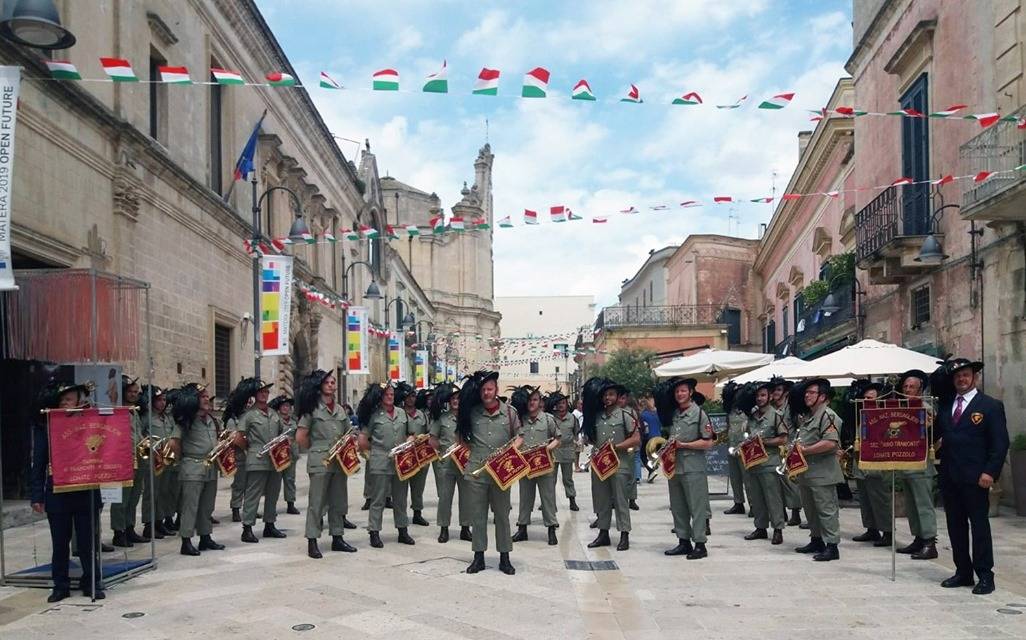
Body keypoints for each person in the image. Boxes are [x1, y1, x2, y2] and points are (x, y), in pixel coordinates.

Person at [935, 358, 1008, 595]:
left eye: (965, 375)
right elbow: (934, 433)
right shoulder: (946, 406)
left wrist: (990, 472)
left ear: (974, 377)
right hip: (950, 476)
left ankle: (985, 575)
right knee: (955, 526)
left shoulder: (990, 406)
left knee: (979, 527)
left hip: (976, 477)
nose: (961, 379)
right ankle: (963, 572)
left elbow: (999, 443)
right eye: (957, 376)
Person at [31, 381, 105, 602]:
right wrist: (36, 495)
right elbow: (39, 463)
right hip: (58, 492)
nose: (65, 403)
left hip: (86, 490)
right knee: (60, 543)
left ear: (79, 401)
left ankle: (92, 582)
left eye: (70, 399)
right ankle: (60, 585)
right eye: (62, 400)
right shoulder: (48, 426)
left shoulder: (90, 424)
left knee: (87, 543)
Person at [458, 370, 521, 574]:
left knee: (502, 515)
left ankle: (504, 558)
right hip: (477, 472)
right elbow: (460, 438)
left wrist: (510, 452)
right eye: (484, 389)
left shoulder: (510, 413)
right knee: (478, 516)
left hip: (501, 473)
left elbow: (520, 436)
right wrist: (474, 453)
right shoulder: (472, 412)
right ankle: (478, 557)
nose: (487, 392)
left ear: (496, 390)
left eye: (490, 388)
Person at [296, 370, 357, 559]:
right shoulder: (312, 409)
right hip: (320, 460)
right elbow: (300, 437)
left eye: (333, 382)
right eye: (328, 382)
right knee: (317, 502)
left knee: (339, 500)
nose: (332, 385)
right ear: (320, 386)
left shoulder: (339, 410)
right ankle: (312, 540)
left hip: (339, 461)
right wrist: (316, 449)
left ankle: (337, 537)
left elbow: (348, 433)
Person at [656, 377, 714, 559]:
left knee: (696, 507)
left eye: (683, 391)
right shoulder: (674, 414)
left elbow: (708, 442)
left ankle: (700, 544)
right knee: (678, 506)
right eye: (677, 391)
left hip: (693, 467)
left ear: (690, 392)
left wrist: (683, 445)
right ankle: (683, 541)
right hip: (674, 467)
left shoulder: (699, 414)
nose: (680, 394)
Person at [582, 377, 640, 552]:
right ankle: (603, 533)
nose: (608, 398)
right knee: (602, 500)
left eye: (611, 394)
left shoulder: (625, 416)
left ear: (617, 396)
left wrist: (617, 447)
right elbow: (593, 438)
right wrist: (588, 438)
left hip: (619, 464)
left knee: (621, 500)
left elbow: (636, 439)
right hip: (600, 465)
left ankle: (624, 534)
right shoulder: (597, 417)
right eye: (605, 395)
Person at [358, 382, 416, 548]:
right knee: (378, 499)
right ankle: (374, 531)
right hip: (380, 462)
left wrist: (410, 440)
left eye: (391, 394)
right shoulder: (374, 415)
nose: (389, 397)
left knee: (400, 498)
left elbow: (410, 433)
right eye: (386, 395)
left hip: (400, 462)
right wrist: (377, 451)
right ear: (380, 397)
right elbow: (363, 440)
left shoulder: (402, 413)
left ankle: (402, 530)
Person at [171, 383, 226, 556]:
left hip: (210, 466)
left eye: (206, 396)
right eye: (202, 396)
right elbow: (174, 443)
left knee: (207, 506)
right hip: (193, 466)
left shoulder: (211, 420)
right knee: (190, 506)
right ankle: (186, 541)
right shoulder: (185, 420)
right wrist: (183, 461)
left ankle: (205, 536)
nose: (206, 399)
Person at [794, 378, 843, 562]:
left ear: (822, 396)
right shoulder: (809, 417)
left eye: (812, 393)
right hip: (807, 472)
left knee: (826, 509)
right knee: (811, 509)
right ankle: (816, 539)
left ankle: (832, 545)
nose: (807, 395)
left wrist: (805, 450)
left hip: (823, 472)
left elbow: (830, 443)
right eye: (806, 392)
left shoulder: (828, 416)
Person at [234, 378, 287, 543]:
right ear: (255, 395)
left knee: (273, 493)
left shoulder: (273, 414)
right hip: (257, 457)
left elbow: (282, 432)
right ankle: (247, 528)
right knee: (253, 494)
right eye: (261, 392)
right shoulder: (249, 415)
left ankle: (269, 524)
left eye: (266, 392)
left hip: (275, 459)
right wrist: (250, 448)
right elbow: (238, 438)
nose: (264, 394)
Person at [895, 369, 938, 560]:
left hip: (920, 465)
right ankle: (918, 539)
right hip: (905, 463)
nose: (908, 389)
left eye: (912, 387)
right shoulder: (901, 408)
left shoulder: (925, 409)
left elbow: (933, 434)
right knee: (911, 506)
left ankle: (930, 542)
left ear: (920, 390)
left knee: (923, 504)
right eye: (905, 386)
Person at [510, 386, 561, 546]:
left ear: (540, 402)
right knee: (525, 498)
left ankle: (551, 529)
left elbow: (558, 438)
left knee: (548, 498)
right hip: (525, 466)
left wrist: (547, 449)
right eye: (530, 400)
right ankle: (522, 528)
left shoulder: (547, 419)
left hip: (544, 466)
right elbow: (514, 439)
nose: (532, 403)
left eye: (535, 400)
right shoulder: (520, 420)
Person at [848, 380, 893, 548]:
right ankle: (871, 528)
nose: (867, 401)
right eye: (865, 398)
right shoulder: (862, 414)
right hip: (861, 463)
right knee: (865, 499)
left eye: (871, 398)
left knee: (880, 499)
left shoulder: (884, 416)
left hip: (877, 464)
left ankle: (887, 532)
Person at [742, 382, 787, 545]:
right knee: (757, 497)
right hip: (753, 463)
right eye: (758, 396)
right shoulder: (752, 416)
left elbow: (783, 438)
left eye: (763, 395)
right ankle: (760, 528)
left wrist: (764, 442)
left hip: (769, 462)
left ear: (769, 397)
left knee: (773, 497)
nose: (760, 398)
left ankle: (778, 529)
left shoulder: (776, 415)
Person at [110, 375, 153, 547]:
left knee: (134, 496)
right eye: (130, 391)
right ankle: (118, 532)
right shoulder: (117, 411)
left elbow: (138, 434)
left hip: (138, 457)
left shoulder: (134, 411)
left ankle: (129, 527)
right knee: (121, 497)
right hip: (123, 458)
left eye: (136, 392)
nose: (134, 394)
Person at [427, 383, 471, 543]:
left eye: (458, 398)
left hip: (464, 463)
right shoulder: (441, 418)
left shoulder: (468, 417)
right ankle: (444, 529)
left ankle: (465, 528)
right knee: (445, 497)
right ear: (448, 401)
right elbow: (432, 440)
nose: (456, 401)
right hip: (446, 464)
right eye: (453, 398)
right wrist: (444, 449)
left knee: (466, 497)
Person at [140, 385, 178, 538]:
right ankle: (148, 525)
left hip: (166, 458)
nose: (162, 403)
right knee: (151, 493)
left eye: (164, 400)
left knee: (163, 492)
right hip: (152, 459)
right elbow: (141, 436)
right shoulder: (146, 417)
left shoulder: (167, 418)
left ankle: (159, 521)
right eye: (159, 400)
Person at [770, 377, 803, 526]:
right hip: (773, 450)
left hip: (789, 448)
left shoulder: (791, 408)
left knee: (791, 483)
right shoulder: (771, 409)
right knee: (776, 483)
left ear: (785, 392)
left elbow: (799, 427)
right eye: (774, 390)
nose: (775, 393)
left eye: (778, 390)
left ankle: (795, 513)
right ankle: (781, 512)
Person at [401, 386, 431, 527]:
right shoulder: (399, 414)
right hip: (404, 456)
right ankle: (401, 516)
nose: (411, 399)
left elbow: (429, 433)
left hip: (420, 456)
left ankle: (417, 513)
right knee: (401, 488)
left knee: (418, 487)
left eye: (413, 396)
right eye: (408, 396)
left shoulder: (422, 415)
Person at [547, 391, 580, 510]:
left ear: (567, 404)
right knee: (551, 479)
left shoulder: (572, 418)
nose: (561, 405)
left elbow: (576, 432)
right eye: (559, 403)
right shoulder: (550, 417)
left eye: (563, 403)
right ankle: (550, 502)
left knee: (568, 478)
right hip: (553, 452)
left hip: (567, 451)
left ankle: (572, 500)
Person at [271, 394, 301, 515]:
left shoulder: (294, 421)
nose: (286, 408)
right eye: (283, 406)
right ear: (279, 408)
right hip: (278, 454)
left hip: (291, 454)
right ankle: (271, 506)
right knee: (275, 482)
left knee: (290, 480)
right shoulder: (275, 420)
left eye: (288, 406)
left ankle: (290, 504)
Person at [721, 381, 748, 514]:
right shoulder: (730, 411)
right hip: (732, 446)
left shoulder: (749, 411)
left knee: (748, 479)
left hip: (745, 448)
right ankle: (738, 502)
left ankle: (754, 505)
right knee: (735, 477)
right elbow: (728, 427)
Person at [616, 387, 642, 511]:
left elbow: (636, 429)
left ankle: (632, 499)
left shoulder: (630, 412)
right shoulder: (610, 412)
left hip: (629, 448)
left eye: (623, 398)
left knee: (631, 475)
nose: (621, 400)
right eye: (619, 398)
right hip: (615, 450)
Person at [639, 394, 663, 483]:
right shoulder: (658, 414)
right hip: (658, 437)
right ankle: (652, 470)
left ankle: (651, 469)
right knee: (653, 454)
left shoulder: (643, 415)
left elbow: (643, 428)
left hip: (648, 437)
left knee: (643, 455)